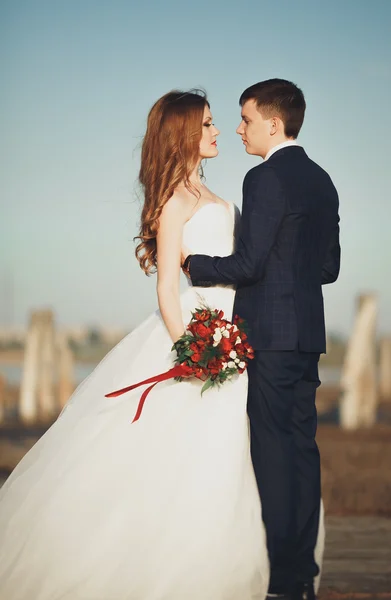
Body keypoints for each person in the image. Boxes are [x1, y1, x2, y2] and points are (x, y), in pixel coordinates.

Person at [0, 90, 279, 600]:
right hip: (194, 336)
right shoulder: (174, 200)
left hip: (231, 338)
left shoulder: (221, 200)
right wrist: (191, 351)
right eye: (208, 124)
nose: (218, 132)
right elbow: (166, 288)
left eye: (218, 123)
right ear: (182, 134)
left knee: (221, 455)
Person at [182, 79, 340, 600]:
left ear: (273, 123)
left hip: (269, 335)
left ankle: (281, 580)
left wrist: (195, 265)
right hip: (307, 334)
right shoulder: (323, 181)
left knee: (272, 453)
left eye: (245, 118)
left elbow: (248, 265)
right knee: (302, 450)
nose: (238, 127)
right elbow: (328, 267)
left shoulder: (264, 178)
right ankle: (302, 576)